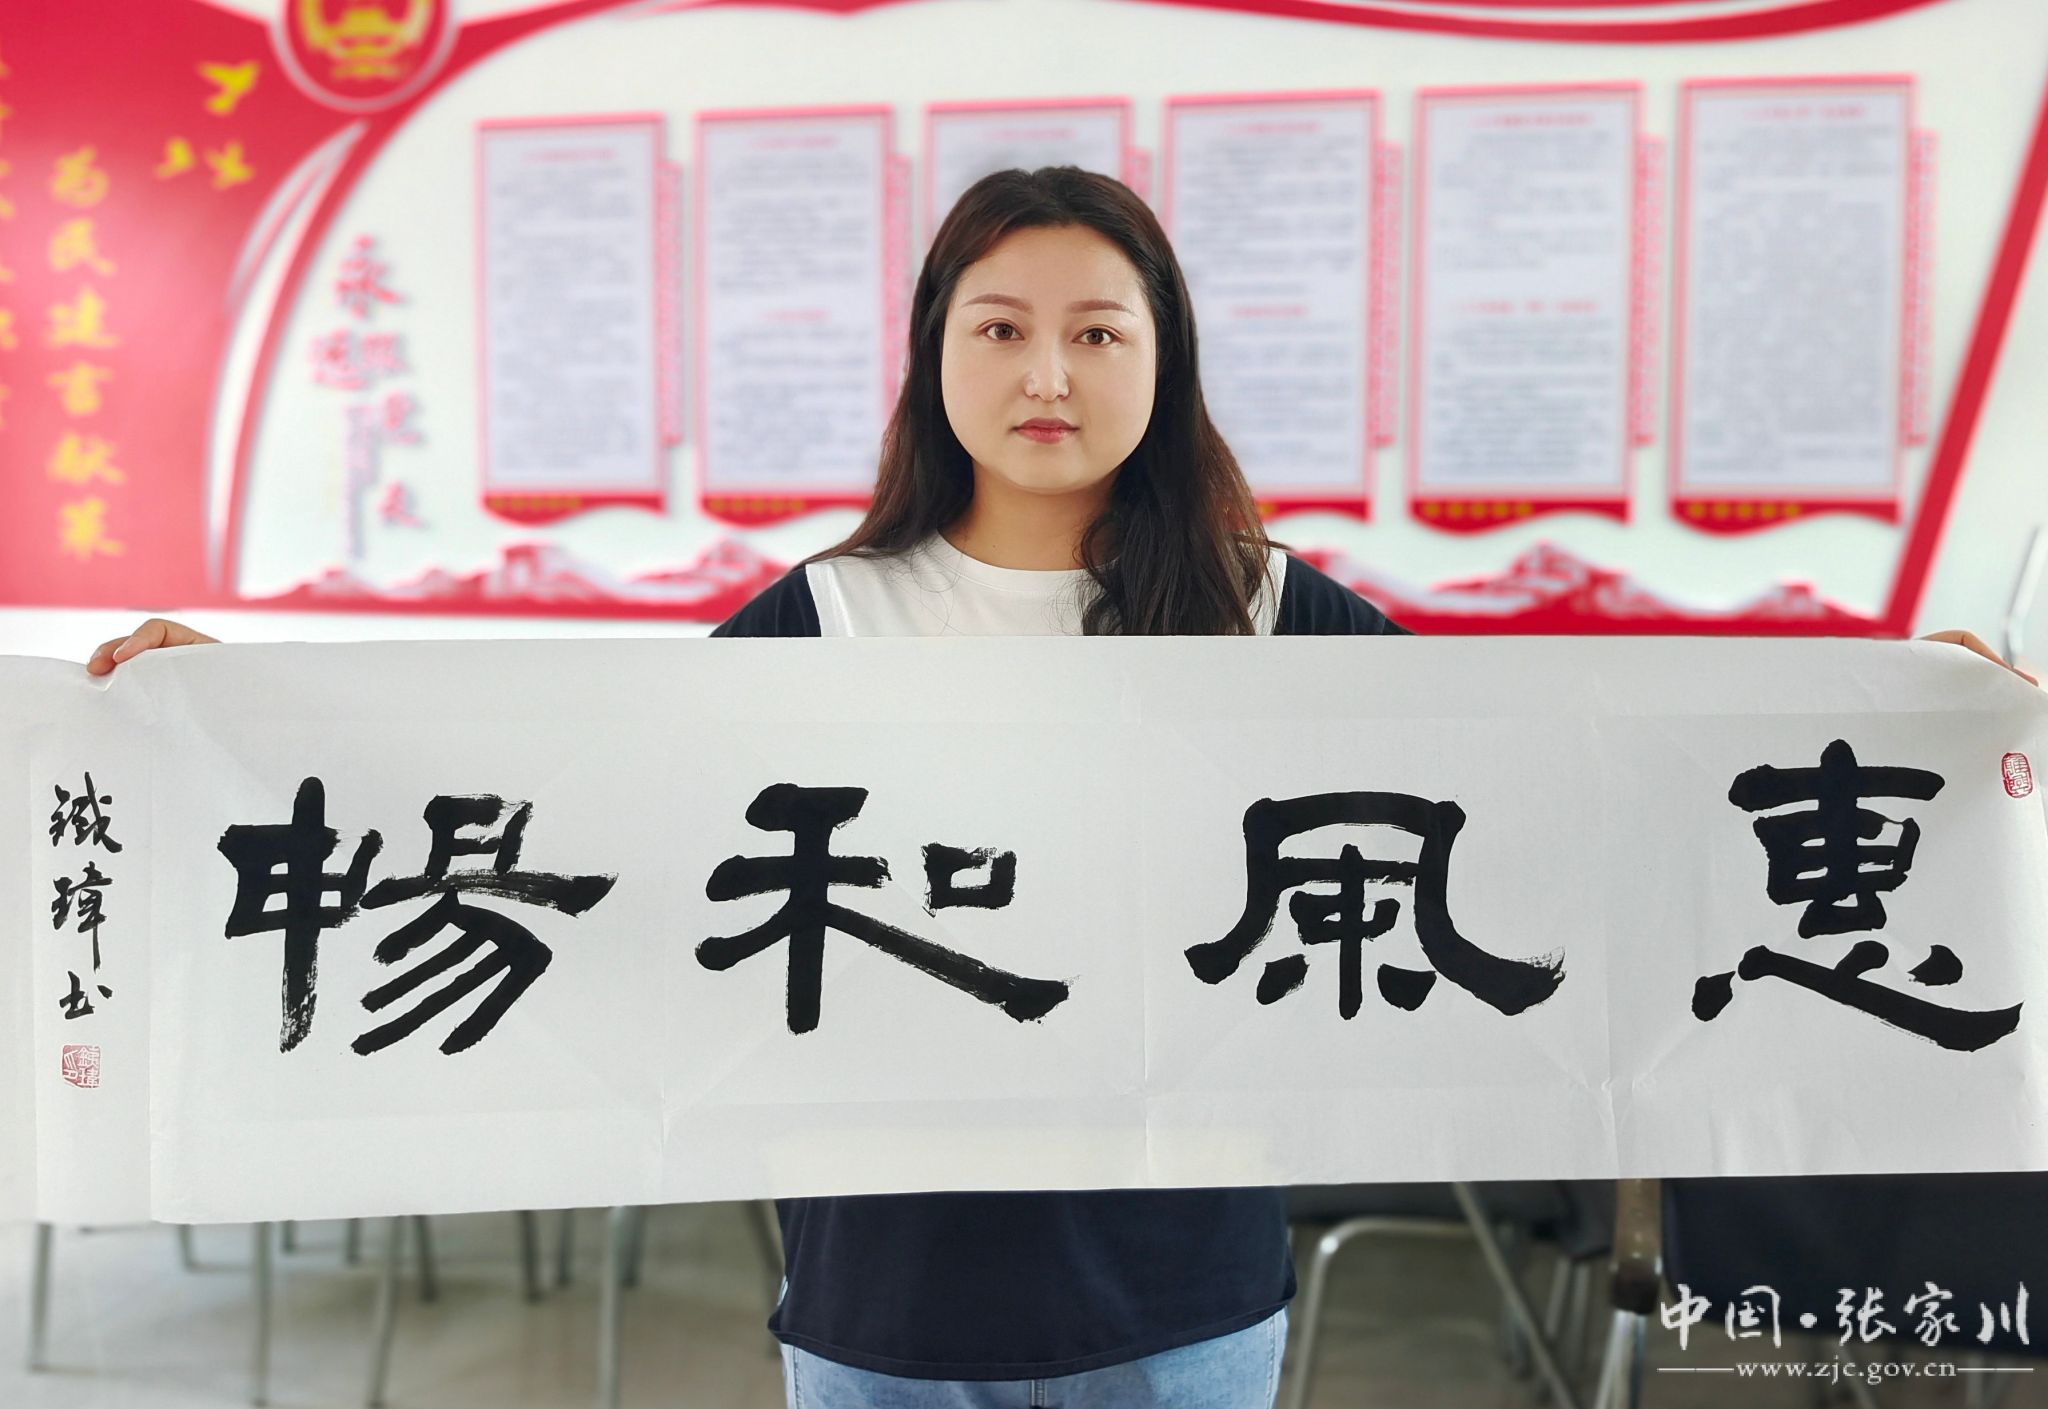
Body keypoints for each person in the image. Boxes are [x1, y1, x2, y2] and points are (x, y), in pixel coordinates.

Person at [85, 167, 2034, 1408]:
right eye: (999, 325)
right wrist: (235, 716)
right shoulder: (825, 618)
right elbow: (573, 821)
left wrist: (1878, 718)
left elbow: (1550, 776)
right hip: (880, 1311)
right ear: (930, 358)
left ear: (1161, 360)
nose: (1048, 369)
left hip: (1179, 1311)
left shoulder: (1267, 613)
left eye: (1099, 329)